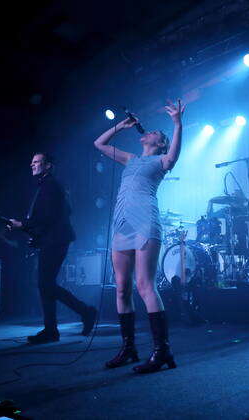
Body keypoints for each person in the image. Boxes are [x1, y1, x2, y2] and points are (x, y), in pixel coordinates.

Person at [94, 99, 185, 373]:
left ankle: (162, 351)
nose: (150, 132)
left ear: (159, 144)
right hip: (121, 224)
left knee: (145, 285)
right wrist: (122, 125)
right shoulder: (130, 159)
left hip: (145, 222)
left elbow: (174, 156)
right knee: (122, 288)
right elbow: (99, 144)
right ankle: (129, 348)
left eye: (157, 133)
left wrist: (177, 123)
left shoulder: (161, 160)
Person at [9, 153, 97, 344]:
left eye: (36, 161)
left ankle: (83, 313)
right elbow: (55, 214)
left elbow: (47, 217)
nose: (31, 164)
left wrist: (23, 225)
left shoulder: (50, 186)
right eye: (31, 161)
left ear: (47, 165)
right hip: (54, 240)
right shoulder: (48, 185)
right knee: (46, 284)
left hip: (55, 240)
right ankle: (55, 328)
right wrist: (27, 228)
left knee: (45, 284)